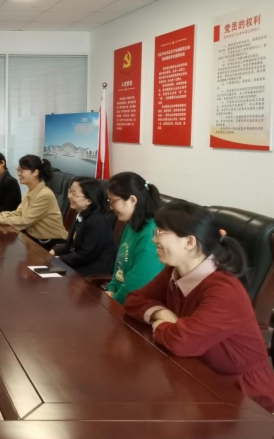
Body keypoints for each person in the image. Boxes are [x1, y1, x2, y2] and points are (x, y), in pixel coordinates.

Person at [125, 200, 274, 413]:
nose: (154, 239)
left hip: (242, 397)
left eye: (160, 232)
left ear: (190, 242)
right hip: (197, 374)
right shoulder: (174, 271)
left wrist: (160, 326)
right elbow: (134, 300)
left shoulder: (224, 290)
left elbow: (182, 342)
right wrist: (163, 314)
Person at [104, 172, 164, 304]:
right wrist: (111, 289)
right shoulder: (131, 225)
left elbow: (138, 283)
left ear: (132, 200)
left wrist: (113, 300)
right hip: (118, 299)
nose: (111, 207)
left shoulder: (151, 235)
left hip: (136, 305)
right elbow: (119, 268)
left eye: (113, 201)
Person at [0, 155, 67, 249]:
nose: (19, 174)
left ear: (35, 172)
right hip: (34, 239)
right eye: (18, 170)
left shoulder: (44, 194)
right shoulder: (31, 190)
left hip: (51, 242)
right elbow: (18, 213)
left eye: (22, 170)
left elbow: (25, 220)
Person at [50, 177, 117, 277]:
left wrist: (60, 259)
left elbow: (86, 255)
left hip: (92, 273)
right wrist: (55, 250)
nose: (69, 196)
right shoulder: (81, 215)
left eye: (74, 194)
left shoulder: (97, 221)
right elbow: (71, 246)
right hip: (79, 265)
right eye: (70, 192)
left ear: (88, 200)